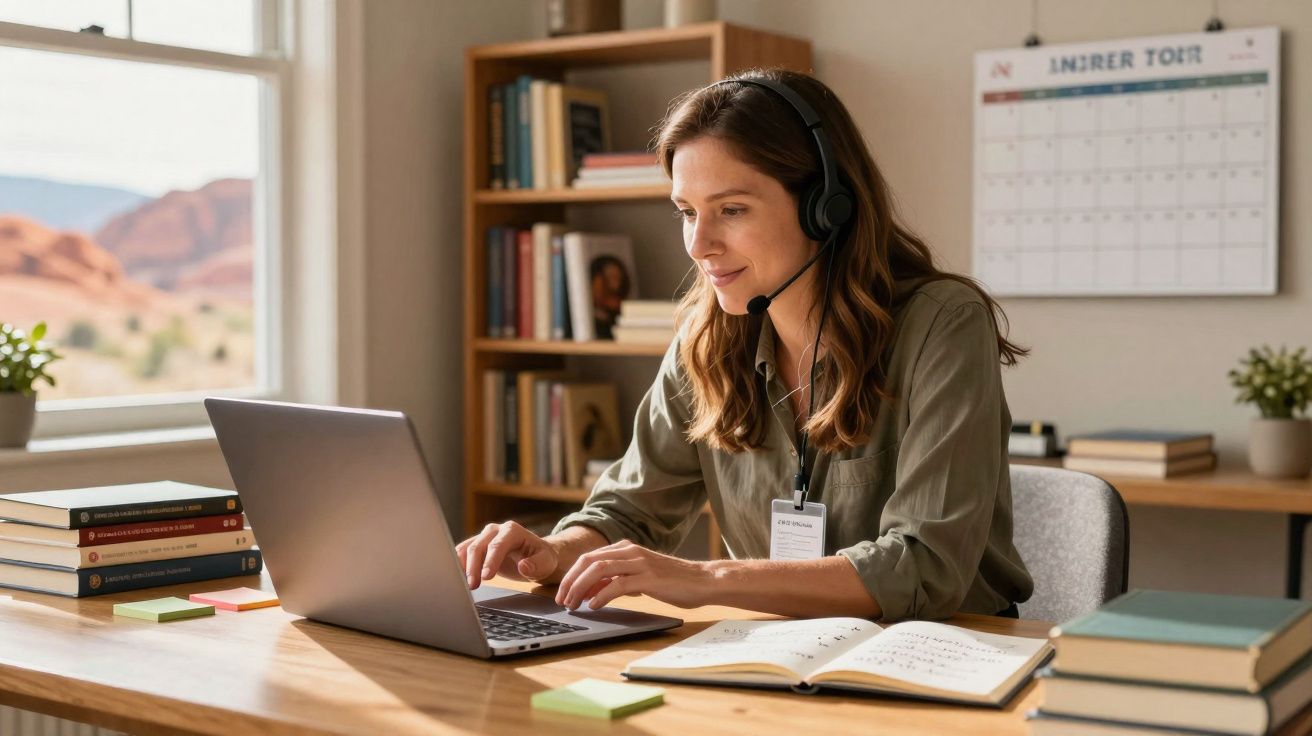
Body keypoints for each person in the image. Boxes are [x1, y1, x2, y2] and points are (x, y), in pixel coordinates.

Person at [458, 69, 1033, 621]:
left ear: (826, 208)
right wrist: (557, 552)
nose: (699, 244)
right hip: (779, 651)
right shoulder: (706, 339)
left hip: (946, 652)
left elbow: (925, 566)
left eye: (731, 210)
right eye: (687, 212)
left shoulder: (942, 324)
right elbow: (630, 510)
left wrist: (705, 581)